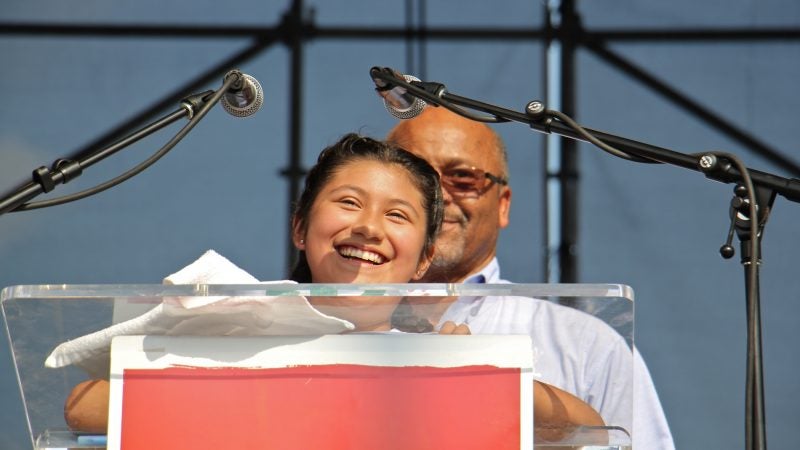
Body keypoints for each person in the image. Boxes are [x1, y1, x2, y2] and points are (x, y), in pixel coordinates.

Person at [62, 133, 602, 435]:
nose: (368, 227)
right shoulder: (237, 326)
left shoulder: (437, 358)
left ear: (422, 261)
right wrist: (263, 361)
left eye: (398, 215)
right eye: (348, 203)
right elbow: (85, 408)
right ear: (301, 227)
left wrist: (465, 374)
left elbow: (587, 428)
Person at [387, 107, 676, 449]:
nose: (438, 196)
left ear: (503, 205)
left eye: (462, 178)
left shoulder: (585, 344)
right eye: (417, 179)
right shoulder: (335, 324)